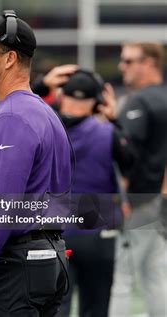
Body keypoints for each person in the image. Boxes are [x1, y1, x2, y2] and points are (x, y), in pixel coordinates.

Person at [0, 10, 71, 316]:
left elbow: (2, 207)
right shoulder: (43, 112)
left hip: (18, 263)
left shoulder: (12, 117)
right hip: (48, 256)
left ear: (9, 59)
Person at [49, 69, 135, 317]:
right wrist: (114, 119)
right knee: (96, 307)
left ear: (61, 95)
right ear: (97, 101)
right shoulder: (108, 133)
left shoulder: (45, 128)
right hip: (97, 233)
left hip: (53, 232)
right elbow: (131, 162)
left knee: (55, 307)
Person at [109, 42, 167, 317]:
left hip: (139, 201)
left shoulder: (141, 101)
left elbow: (127, 158)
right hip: (158, 201)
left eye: (129, 61)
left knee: (121, 276)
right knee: (155, 272)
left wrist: (121, 199)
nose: (122, 67)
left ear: (150, 63)